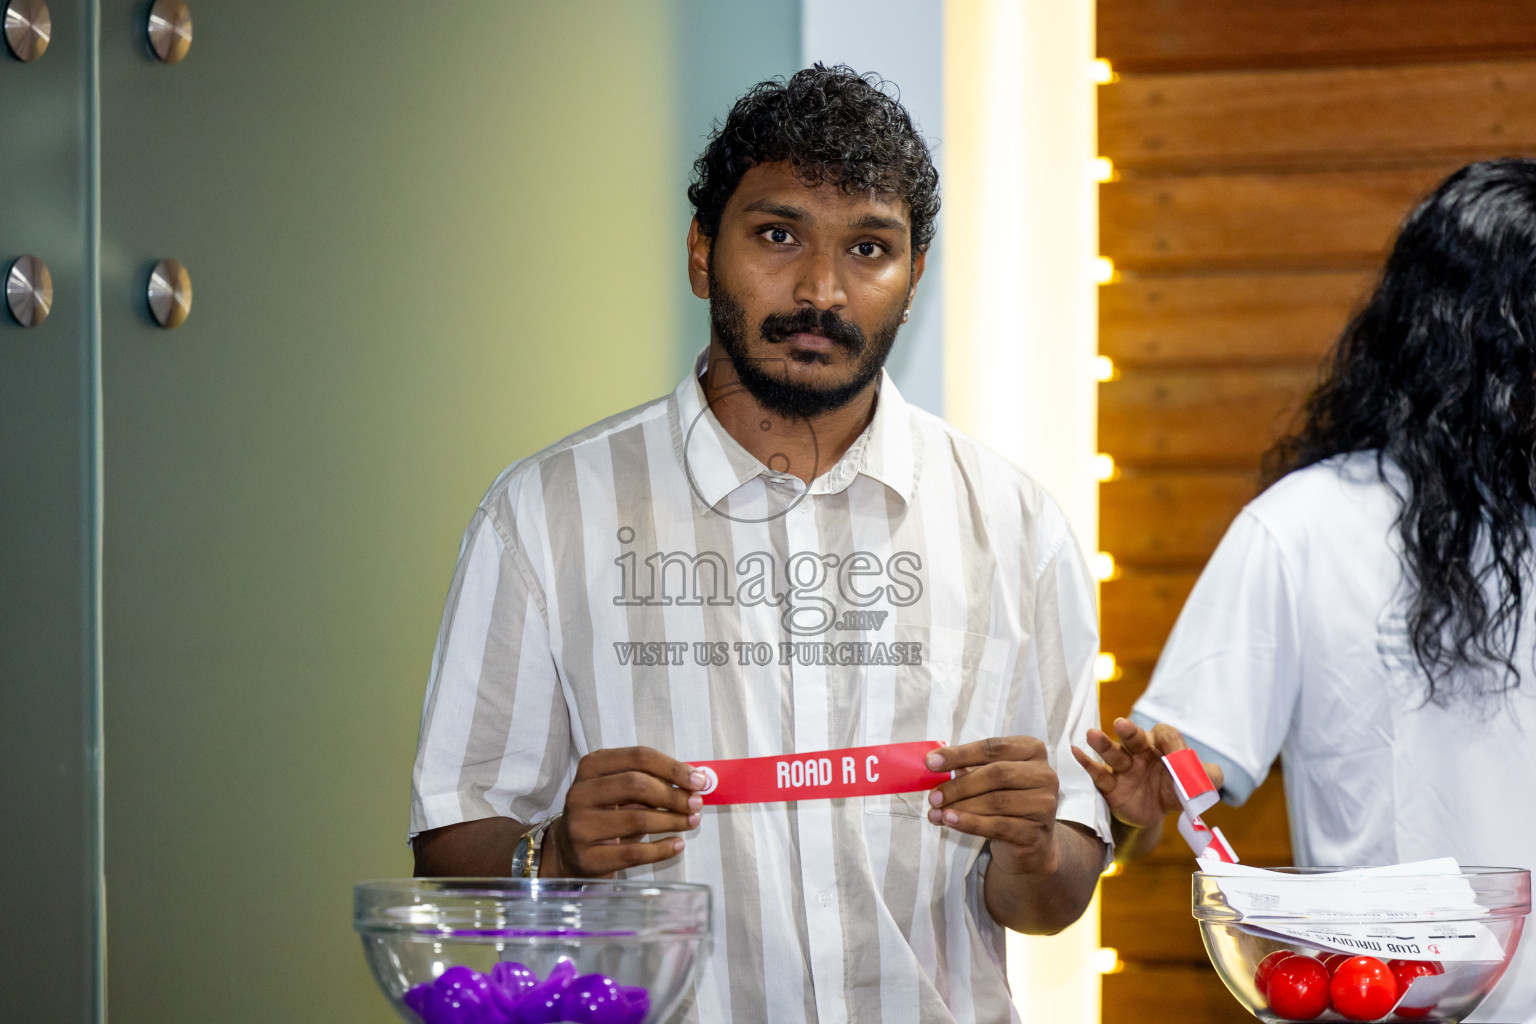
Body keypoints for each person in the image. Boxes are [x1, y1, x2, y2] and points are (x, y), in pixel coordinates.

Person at [408, 65, 1111, 1024]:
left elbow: (1050, 903)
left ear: (912, 280)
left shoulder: (1019, 529)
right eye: (778, 235)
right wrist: (557, 855)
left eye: (870, 247)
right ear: (702, 254)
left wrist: (1034, 850)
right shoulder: (544, 514)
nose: (821, 289)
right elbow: (452, 854)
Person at [1074, 159, 1536, 1023]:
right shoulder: (1303, 529)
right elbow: (1160, 796)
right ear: (1482, 338)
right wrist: (1130, 809)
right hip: (1390, 1009)